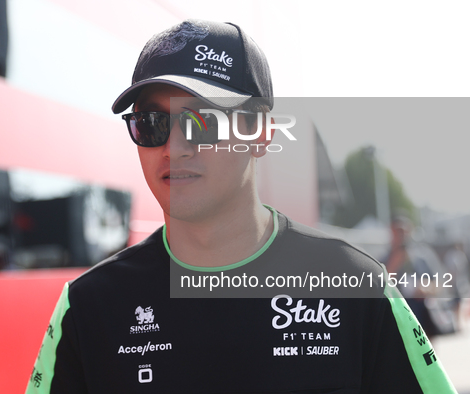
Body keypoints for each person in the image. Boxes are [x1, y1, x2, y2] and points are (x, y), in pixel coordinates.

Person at [26, 20, 456, 393]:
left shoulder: (358, 288)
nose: (174, 148)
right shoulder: (88, 308)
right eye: (151, 123)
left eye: (201, 121)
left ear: (262, 131)